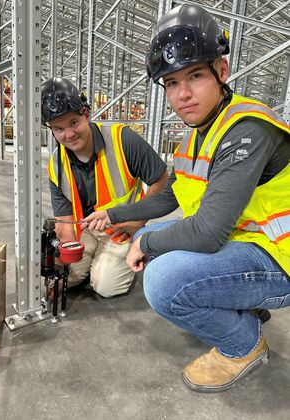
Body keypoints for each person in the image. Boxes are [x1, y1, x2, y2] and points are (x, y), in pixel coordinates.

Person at [83, 4, 290, 393]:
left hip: (281, 257)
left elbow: (209, 232)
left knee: (163, 280)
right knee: (160, 231)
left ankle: (244, 344)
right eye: (172, 83)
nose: (183, 94)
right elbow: (172, 197)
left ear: (222, 71)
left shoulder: (247, 130)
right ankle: (239, 304)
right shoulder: (198, 133)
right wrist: (116, 214)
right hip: (250, 239)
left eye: (194, 76)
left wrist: (146, 240)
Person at [41, 77, 169, 298]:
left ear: (86, 113)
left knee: (105, 286)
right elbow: (64, 221)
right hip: (87, 230)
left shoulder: (122, 140)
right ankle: (90, 262)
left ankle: (131, 251)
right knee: (68, 276)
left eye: (73, 123)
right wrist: (62, 270)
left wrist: (138, 221)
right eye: (58, 128)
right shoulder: (56, 164)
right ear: (51, 130)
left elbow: (162, 180)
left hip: (123, 229)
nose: (69, 134)